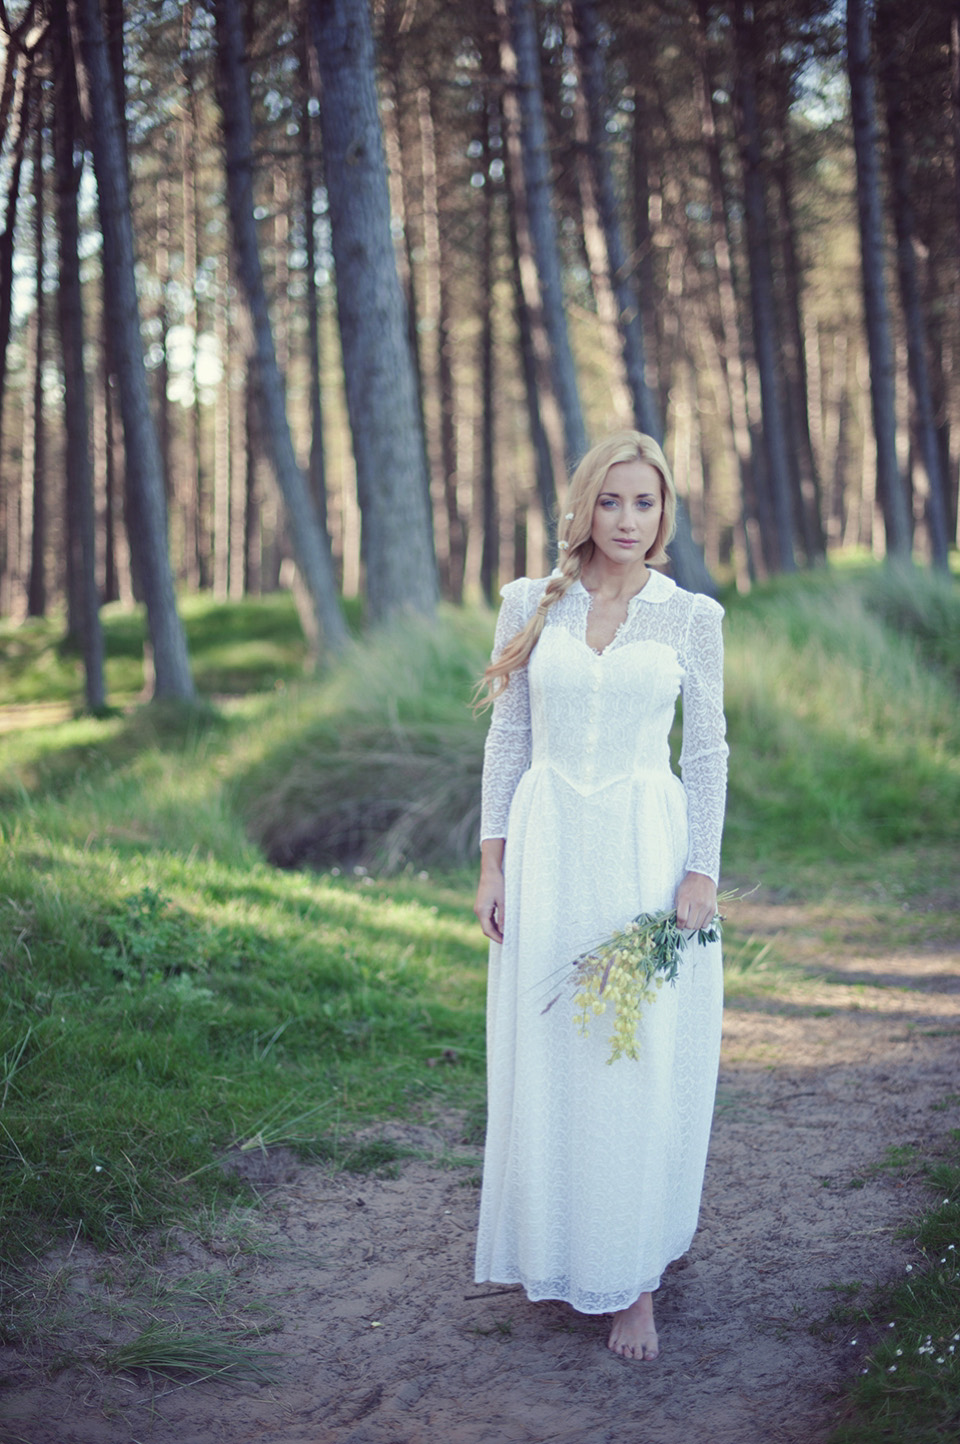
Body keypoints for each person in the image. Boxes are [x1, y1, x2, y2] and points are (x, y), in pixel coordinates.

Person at [472, 430, 728, 1362]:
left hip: (641, 848)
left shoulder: (690, 616)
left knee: (635, 1054)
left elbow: (705, 751)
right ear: (583, 505)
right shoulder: (529, 604)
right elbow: (507, 742)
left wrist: (700, 867)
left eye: (647, 503)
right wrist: (493, 864)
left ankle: (635, 1282)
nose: (629, 520)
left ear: (666, 513)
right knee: (555, 1046)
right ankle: (562, 1244)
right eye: (613, 501)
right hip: (548, 846)